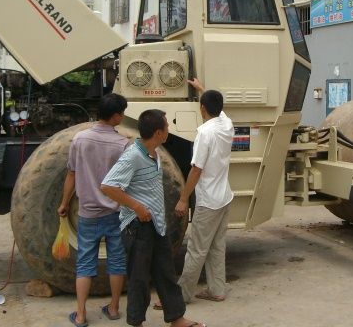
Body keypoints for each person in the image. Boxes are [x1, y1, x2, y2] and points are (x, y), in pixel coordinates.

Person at [101, 109, 205, 327]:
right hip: (138, 227)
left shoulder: (154, 153)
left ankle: (176, 318)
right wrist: (137, 207)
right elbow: (108, 185)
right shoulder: (133, 156)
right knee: (139, 279)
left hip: (156, 225)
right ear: (159, 132)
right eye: (167, 126)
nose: (169, 129)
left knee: (166, 273)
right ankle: (136, 322)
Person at [57, 93, 129, 327]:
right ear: (116, 116)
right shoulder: (122, 144)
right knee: (117, 261)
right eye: (122, 113)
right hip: (115, 213)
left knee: (85, 264)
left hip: (87, 213)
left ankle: (80, 315)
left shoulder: (80, 139)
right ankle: (115, 308)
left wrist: (65, 203)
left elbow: (71, 174)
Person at [175, 78, 234, 303]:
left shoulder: (204, 133)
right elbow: (220, 110)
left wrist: (182, 198)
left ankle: (181, 296)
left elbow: (196, 169)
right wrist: (202, 89)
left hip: (208, 201)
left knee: (197, 250)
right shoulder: (226, 124)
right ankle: (217, 290)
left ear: (202, 108)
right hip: (224, 198)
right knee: (217, 247)